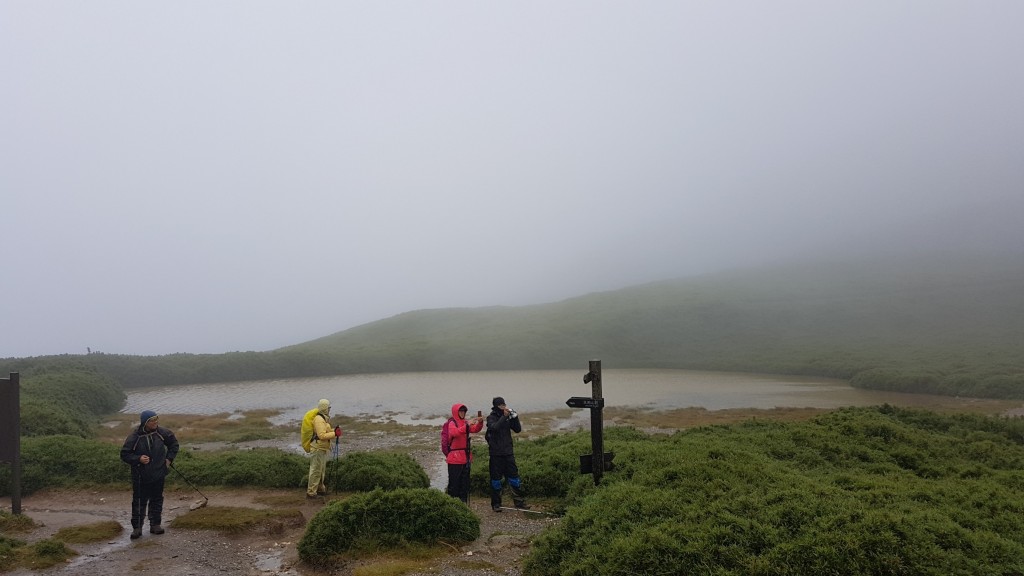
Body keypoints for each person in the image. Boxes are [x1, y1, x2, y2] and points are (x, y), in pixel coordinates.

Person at [120, 410, 179, 539]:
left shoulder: (162, 432)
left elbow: (174, 444)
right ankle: (137, 528)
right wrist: (138, 459)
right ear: (145, 422)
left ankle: (155, 525)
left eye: (156, 419)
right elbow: (124, 454)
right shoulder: (134, 437)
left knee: (157, 499)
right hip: (140, 476)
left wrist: (169, 459)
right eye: (152, 420)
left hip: (159, 472)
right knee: (139, 501)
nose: (155, 422)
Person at [485, 397, 528, 511]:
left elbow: (517, 430)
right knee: (496, 480)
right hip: (496, 454)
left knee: (514, 478)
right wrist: (504, 417)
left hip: (508, 453)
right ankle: (496, 504)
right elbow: (494, 427)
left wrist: (515, 417)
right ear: (495, 406)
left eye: (504, 404)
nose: (503, 407)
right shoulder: (491, 418)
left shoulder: (508, 417)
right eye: (501, 405)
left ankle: (519, 502)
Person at [444, 403, 483, 504]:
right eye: (460, 411)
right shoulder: (452, 423)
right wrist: (467, 425)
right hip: (455, 458)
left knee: (464, 483)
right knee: (454, 484)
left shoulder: (465, 422)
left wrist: (480, 423)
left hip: (465, 457)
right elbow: (454, 433)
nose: (462, 413)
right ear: (456, 412)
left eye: (464, 411)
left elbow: (475, 429)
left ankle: (463, 503)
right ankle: (452, 504)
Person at [307, 398, 339, 499]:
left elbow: (326, 431)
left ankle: (320, 489)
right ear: (325, 408)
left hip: (321, 449)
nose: (329, 409)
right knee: (316, 471)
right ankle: (311, 493)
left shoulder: (323, 418)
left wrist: (335, 430)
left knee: (321, 471)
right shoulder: (319, 420)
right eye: (328, 407)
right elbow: (321, 436)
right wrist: (335, 433)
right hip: (317, 449)